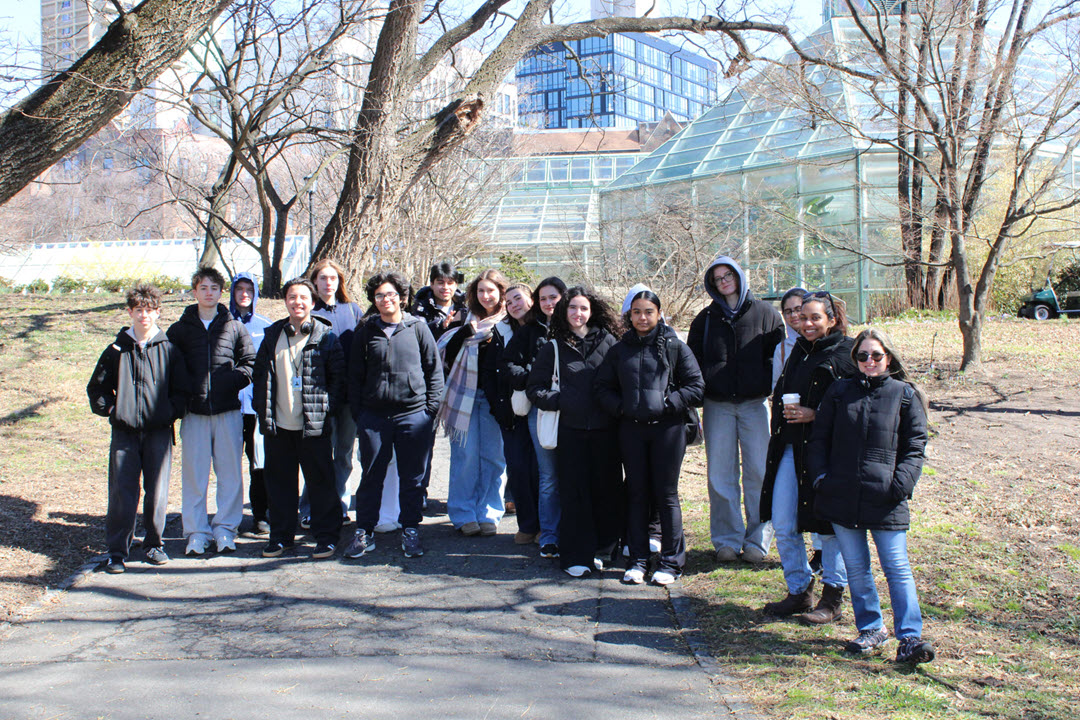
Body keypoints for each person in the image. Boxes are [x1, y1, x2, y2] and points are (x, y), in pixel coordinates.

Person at [808, 328, 935, 663]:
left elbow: (915, 446)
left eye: (876, 355)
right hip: (842, 494)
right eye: (862, 356)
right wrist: (822, 478)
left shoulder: (904, 395)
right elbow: (819, 439)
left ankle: (909, 637)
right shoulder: (839, 392)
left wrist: (901, 485)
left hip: (886, 498)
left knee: (896, 567)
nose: (869, 361)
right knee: (856, 567)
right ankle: (871, 628)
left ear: (888, 357)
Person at [596, 290, 704, 586]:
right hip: (631, 429)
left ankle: (671, 562)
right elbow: (602, 387)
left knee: (666, 495)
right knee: (636, 494)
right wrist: (621, 407)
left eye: (648, 312)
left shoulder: (674, 346)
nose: (642, 318)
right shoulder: (619, 350)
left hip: (668, 429)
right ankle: (638, 560)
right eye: (636, 312)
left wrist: (668, 404)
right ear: (628, 316)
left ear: (659, 314)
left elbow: (697, 386)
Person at [759, 291, 853, 624]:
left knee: (826, 528)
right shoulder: (797, 350)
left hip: (825, 453)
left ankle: (832, 598)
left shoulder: (847, 353)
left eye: (815, 317)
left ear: (832, 319)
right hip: (788, 447)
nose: (807, 323)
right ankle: (799, 590)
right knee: (783, 522)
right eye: (802, 316)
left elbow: (855, 404)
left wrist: (818, 414)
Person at [688, 256, 784, 565]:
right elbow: (692, 363)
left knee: (758, 472)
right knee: (720, 475)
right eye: (718, 278)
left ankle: (758, 540)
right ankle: (726, 540)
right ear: (712, 284)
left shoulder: (767, 315)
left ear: (740, 276)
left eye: (729, 274)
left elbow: (780, 359)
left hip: (755, 404)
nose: (724, 281)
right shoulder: (704, 320)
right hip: (717, 406)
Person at [87, 284, 189, 573]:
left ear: (158, 312)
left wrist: (168, 413)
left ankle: (154, 544)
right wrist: (112, 409)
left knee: (156, 491)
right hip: (124, 433)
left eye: (150, 310)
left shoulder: (169, 349)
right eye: (139, 310)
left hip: (158, 432)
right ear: (130, 312)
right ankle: (118, 551)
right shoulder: (117, 349)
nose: (144, 316)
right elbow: (97, 388)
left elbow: (182, 391)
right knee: (122, 492)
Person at [343, 272, 443, 560]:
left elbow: (433, 371)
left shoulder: (417, 328)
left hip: (414, 415)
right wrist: (360, 413)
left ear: (401, 297)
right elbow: (355, 376)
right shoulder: (366, 331)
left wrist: (429, 410)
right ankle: (365, 531)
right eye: (379, 296)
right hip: (374, 417)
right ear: (374, 301)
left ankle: (410, 529)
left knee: (412, 477)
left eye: (390, 294)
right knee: (371, 475)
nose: (385, 300)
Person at [528, 287, 621, 577]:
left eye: (583, 308)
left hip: (606, 431)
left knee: (606, 491)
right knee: (574, 494)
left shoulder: (610, 342)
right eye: (572, 308)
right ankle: (575, 555)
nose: (577, 314)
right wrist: (562, 401)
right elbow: (535, 389)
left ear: (592, 310)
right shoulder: (553, 346)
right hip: (570, 431)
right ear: (563, 311)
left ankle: (605, 550)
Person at [251, 278, 346, 559]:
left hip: (313, 425)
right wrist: (263, 410)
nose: (297, 302)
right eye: (292, 297)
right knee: (279, 485)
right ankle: (281, 537)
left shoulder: (325, 336)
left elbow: (338, 379)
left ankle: (326, 537)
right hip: (278, 425)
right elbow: (259, 377)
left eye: (303, 297)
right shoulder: (272, 336)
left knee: (321, 484)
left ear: (313, 302)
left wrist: (326, 409)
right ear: (285, 301)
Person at [167, 267, 255, 556]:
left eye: (214, 288)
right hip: (194, 414)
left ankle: (226, 530)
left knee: (230, 474)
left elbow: (250, 362)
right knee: (195, 475)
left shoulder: (233, 326)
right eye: (203, 288)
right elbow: (169, 368)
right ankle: (196, 532)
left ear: (221, 293)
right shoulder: (180, 330)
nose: (208, 293)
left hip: (228, 411)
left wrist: (230, 383)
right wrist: (184, 393)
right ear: (195, 292)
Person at [438, 269, 510, 537]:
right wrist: (463, 332)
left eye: (491, 290)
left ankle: (489, 512)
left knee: (494, 457)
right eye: (481, 290)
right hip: (464, 396)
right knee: (465, 457)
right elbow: (445, 353)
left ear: (501, 292)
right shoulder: (462, 318)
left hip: (494, 401)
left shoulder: (508, 322)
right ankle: (463, 513)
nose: (485, 295)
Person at [503, 277, 566, 558]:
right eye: (543, 298)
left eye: (553, 297)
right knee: (548, 475)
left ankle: (575, 529)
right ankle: (549, 533)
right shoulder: (530, 330)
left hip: (577, 411)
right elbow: (508, 363)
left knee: (575, 472)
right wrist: (532, 381)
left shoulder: (580, 324)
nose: (549, 303)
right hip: (540, 411)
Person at [307, 258, 365, 525]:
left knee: (343, 454)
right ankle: (309, 508)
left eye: (332, 278)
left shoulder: (352, 310)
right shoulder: (308, 310)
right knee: (318, 455)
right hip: (319, 394)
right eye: (322, 278)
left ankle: (340, 505)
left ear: (339, 281)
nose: (328, 283)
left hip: (349, 397)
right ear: (315, 282)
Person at [229, 272, 273, 535]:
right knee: (229, 465)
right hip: (229, 407)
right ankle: (230, 518)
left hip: (256, 407)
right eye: (239, 289)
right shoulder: (221, 323)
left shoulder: (265, 326)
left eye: (249, 289)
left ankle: (260, 515)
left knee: (259, 464)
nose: (244, 294)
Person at [500, 283, 541, 545]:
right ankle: (527, 524)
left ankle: (545, 525)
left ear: (531, 299)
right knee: (518, 469)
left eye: (518, 299)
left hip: (541, 407)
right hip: (511, 411)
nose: (513, 305)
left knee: (541, 470)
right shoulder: (501, 330)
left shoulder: (545, 327)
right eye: (508, 302)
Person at [411, 261, 467, 340]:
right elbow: (419, 335)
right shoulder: (421, 309)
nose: (445, 287)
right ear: (432, 284)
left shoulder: (465, 306)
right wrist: (441, 326)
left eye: (450, 283)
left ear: (456, 285)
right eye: (441, 283)